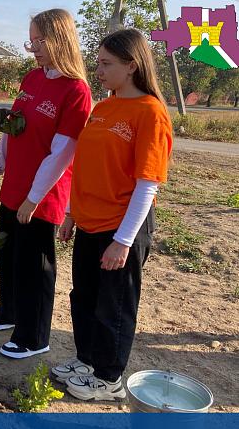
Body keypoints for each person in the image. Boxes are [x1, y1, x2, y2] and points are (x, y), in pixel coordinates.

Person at [52, 28, 173, 401]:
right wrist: (71, 212)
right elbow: (86, 166)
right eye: (98, 62)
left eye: (106, 64)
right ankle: (87, 359)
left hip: (122, 228)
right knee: (83, 297)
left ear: (132, 66)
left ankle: (109, 378)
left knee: (114, 306)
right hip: (89, 221)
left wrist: (123, 241)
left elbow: (147, 183)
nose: (98, 70)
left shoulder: (150, 114)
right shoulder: (103, 108)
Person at [0, 9, 92, 359]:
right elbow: (11, 128)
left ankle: (34, 336)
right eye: (31, 40)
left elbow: (62, 154)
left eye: (40, 40)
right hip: (14, 185)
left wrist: (33, 198)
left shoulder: (75, 90)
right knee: (9, 254)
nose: (33, 47)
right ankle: (10, 312)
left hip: (42, 194)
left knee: (35, 263)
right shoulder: (31, 79)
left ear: (60, 40)